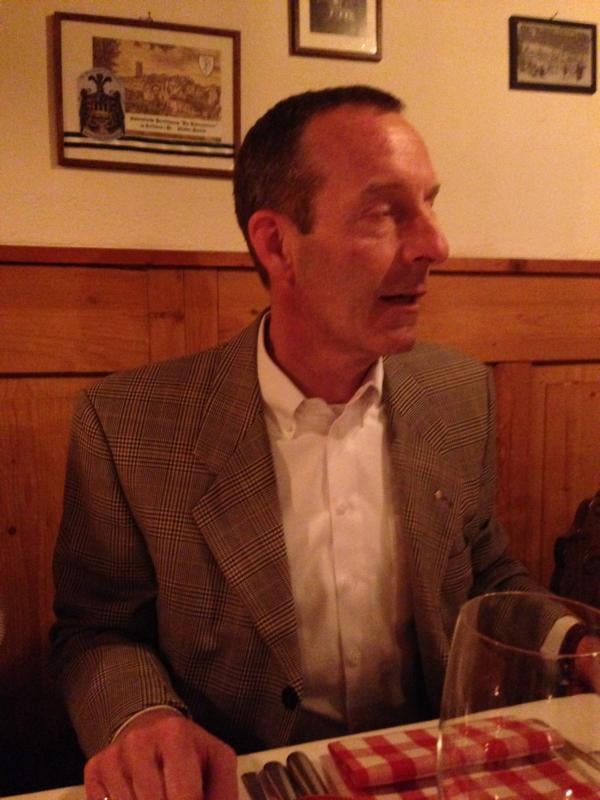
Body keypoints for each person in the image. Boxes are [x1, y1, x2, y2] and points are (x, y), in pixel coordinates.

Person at [50, 85, 594, 800]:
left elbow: (487, 575)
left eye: (430, 204)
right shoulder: (130, 425)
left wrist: (577, 642)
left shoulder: (458, 393)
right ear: (277, 244)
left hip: (429, 766)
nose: (435, 245)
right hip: (245, 778)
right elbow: (96, 631)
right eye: (383, 213)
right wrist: (143, 718)